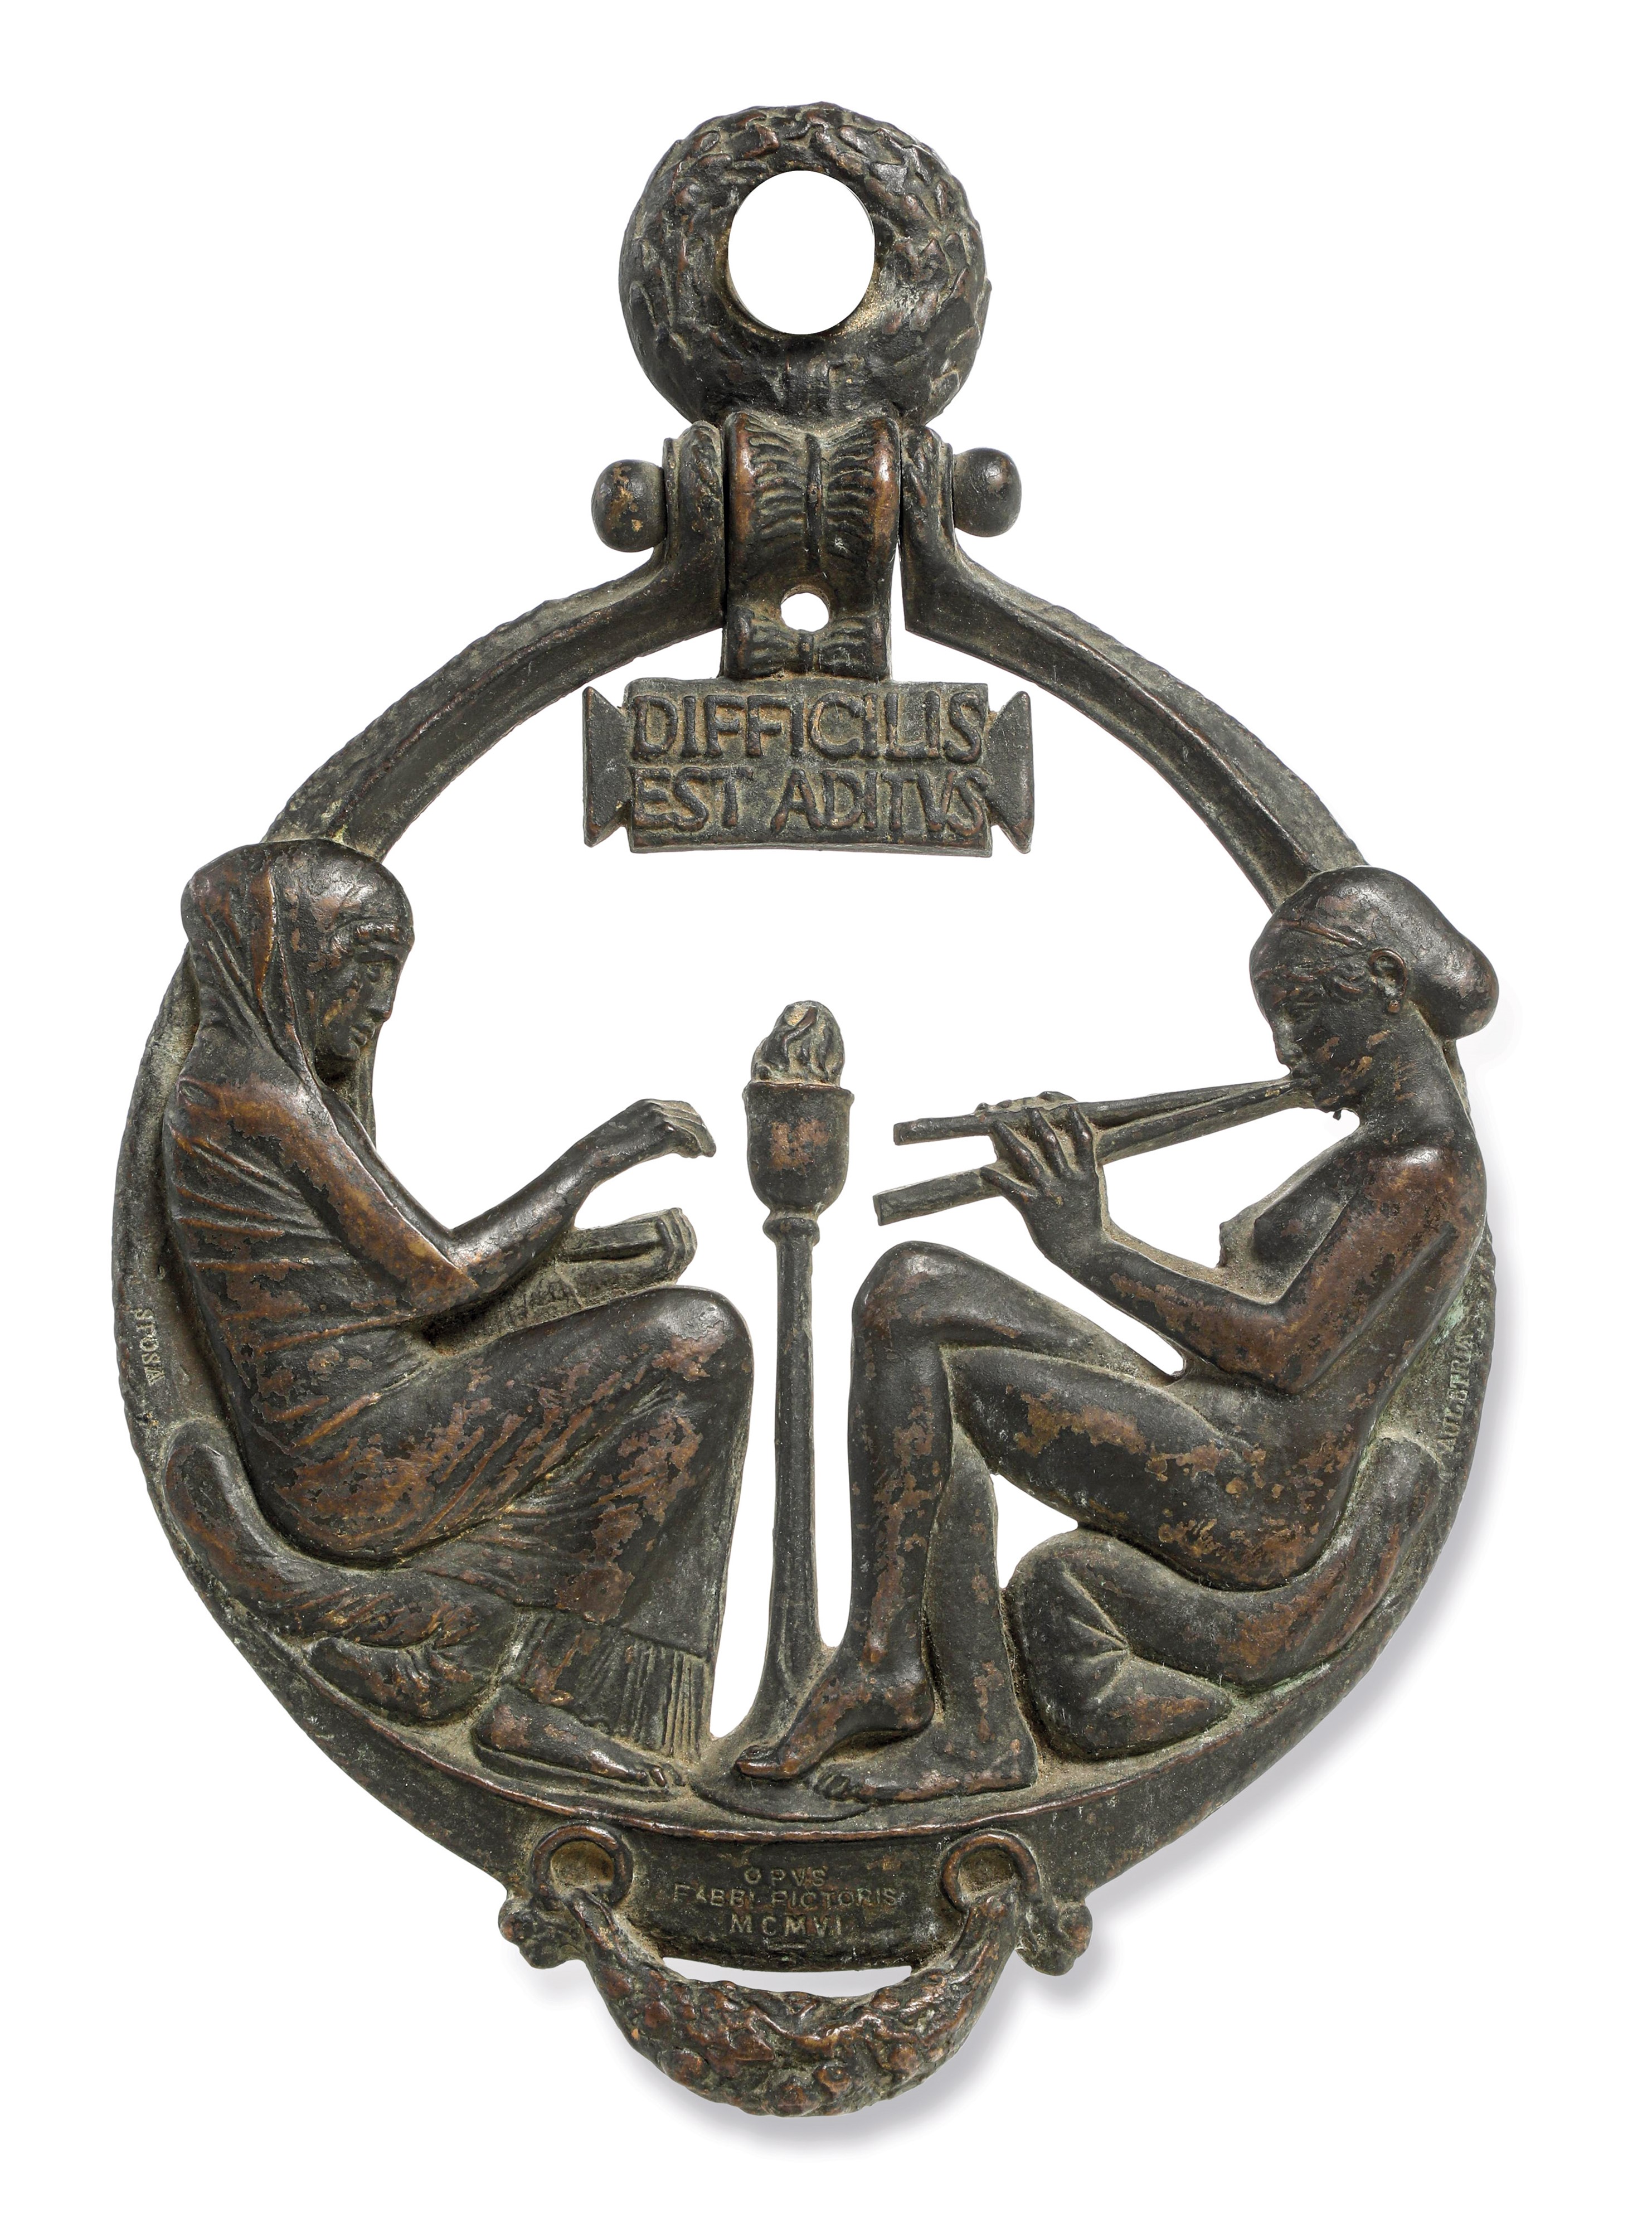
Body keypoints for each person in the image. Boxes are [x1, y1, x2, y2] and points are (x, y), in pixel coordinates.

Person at [737, 866, 1494, 1800]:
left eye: (1301, 1012)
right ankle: (886, 1656)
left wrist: (1091, 1246)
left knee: (941, 1379)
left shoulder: (1424, 1168)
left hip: (1254, 1493)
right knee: (911, 1288)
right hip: (1206, 1427)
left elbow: (1285, 1349)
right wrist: (1075, 1178)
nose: (1286, 1046)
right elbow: (1243, 1329)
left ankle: (970, 1720)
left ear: (1384, 981)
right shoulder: (1372, 1154)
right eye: (1277, 1020)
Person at [164, 838, 751, 1787]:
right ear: (284, 948)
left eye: (393, 969)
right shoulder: (258, 1093)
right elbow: (440, 1279)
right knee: (699, 1340)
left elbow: (405, 1296)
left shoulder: (262, 1090)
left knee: (685, 1338)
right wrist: (597, 1158)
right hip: (358, 1456)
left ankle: (530, 1673)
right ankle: (547, 1694)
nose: (383, 1001)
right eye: (364, 962)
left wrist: (594, 1262)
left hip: (376, 1427)